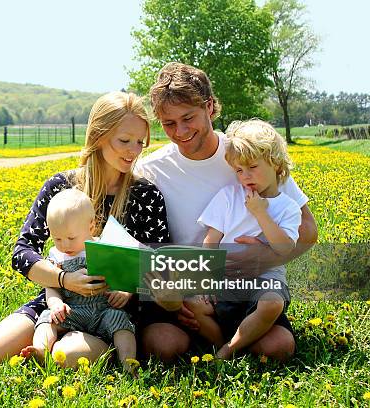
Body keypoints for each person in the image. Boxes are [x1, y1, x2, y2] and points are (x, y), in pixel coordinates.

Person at [0, 91, 170, 367]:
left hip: (113, 314)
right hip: (58, 306)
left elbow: (159, 262)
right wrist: (65, 280)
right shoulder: (60, 187)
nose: (134, 151)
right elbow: (22, 253)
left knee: (63, 357)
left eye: (140, 142)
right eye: (124, 141)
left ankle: (82, 345)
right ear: (97, 137)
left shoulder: (146, 195)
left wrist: (130, 289)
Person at [135, 62, 318, 362]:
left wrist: (261, 259)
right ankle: (217, 340)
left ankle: (230, 343)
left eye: (188, 118)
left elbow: (308, 231)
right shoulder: (152, 169)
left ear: (208, 107)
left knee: (278, 347)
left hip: (250, 284)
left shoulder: (247, 154)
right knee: (162, 344)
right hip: (193, 289)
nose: (180, 131)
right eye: (168, 123)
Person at [183, 119, 302, 359]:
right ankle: (222, 344)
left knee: (271, 304)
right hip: (225, 280)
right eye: (239, 170)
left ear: (276, 163)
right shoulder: (229, 196)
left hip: (265, 280)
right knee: (192, 303)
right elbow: (211, 240)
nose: (245, 176)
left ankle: (230, 349)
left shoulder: (287, 207)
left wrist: (260, 213)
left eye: (252, 167)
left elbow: (284, 247)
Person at [20, 188, 136, 372]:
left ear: (91, 226)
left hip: (104, 311)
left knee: (121, 322)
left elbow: (127, 273)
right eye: (57, 238)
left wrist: (125, 291)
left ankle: (128, 363)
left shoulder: (105, 246)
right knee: (46, 319)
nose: (64, 245)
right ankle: (41, 350)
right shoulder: (57, 256)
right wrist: (56, 304)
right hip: (72, 310)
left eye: (71, 238)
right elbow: (52, 286)